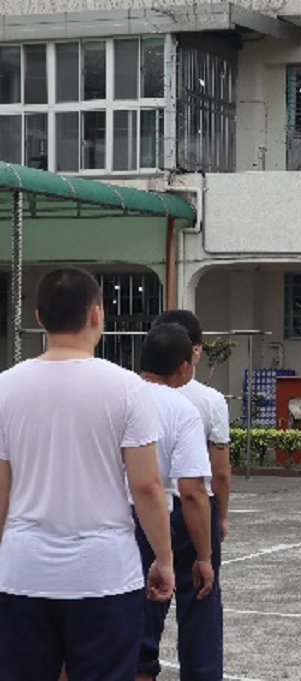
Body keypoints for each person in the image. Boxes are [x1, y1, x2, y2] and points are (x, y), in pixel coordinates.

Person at [0, 266, 174, 680]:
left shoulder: (5, 386)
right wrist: (164, 559)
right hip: (104, 574)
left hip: (24, 570)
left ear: (39, 318)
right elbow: (147, 486)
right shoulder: (126, 387)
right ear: (97, 314)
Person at [135, 323, 220, 681]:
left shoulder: (117, 397)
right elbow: (193, 490)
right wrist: (203, 556)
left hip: (116, 518)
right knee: (192, 604)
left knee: (135, 625)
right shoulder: (181, 409)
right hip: (162, 516)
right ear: (184, 367)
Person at [153, 310, 232, 542]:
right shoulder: (210, 400)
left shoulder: (130, 393)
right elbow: (221, 471)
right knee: (199, 575)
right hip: (192, 507)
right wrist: (221, 517)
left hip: (144, 506)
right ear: (195, 349)